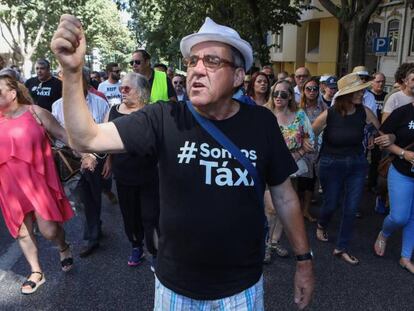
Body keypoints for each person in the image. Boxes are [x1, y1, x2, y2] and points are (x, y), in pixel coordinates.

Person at [52, 14, 314, 310]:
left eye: (212, 61)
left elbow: (285, 197)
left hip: (242, 288)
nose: (197, 70)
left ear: (239, 76)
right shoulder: (165, 117)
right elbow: (86, 138)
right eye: (192, 61)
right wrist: (72, 73)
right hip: (176, 289)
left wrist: (304, 261)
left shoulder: (261, 123)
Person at [0, 71, 74, 294]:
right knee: (22, 231)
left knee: (49, 230)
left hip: (38, 181)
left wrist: (88, 152)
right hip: (8, 184)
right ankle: (36, 272)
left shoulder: (35, 112)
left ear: (12, 93)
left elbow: (62, 134)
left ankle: (63, 246)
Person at [312, 73, 389, 265]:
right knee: (331, 203)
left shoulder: (364, 111)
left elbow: (379, 130)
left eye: (362, 90)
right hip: (331, 163)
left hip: (357, 163)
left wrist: (373, 136)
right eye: (358, 91)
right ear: (346, 94)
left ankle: (342, 247)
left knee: (352, 207)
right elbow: (310, 133)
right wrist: (308, 150)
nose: (362, 94)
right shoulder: (329, 114)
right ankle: (322, 223)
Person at [102, 72, 160, 270]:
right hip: (124, 174)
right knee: (130, 216)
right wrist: (107, 159)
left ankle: (155, 252)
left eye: (127, 88)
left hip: (150, 175)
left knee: (151, 217)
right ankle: (136, 246)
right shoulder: (113, 110)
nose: (122, 91)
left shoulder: (152, 113)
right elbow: (104, 137)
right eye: (121, 88)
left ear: (142, 91)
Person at [52, 68, 110, 258]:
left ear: (87, 81)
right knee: (80, 201)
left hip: (95, 159)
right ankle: (93, 232)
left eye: (79, 79)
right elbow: (59, 137)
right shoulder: (58, 106)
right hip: (71, 163)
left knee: (93, 196)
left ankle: (93, 232)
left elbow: (104, 134)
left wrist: (93, 156)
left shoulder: (101, 104)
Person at [263, 79, 314, 264]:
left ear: (290, 96)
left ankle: (274, 242)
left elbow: (312, 140)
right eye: (275, 93)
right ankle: (265, 244)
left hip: (292, 168)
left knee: (283, 208)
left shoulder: (300, 116)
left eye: (283, 94)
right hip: (268, 167)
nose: (278, 97)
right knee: (270, 208)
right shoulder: (264, 114)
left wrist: (299, 153)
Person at [374, 102, 414, 274]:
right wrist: (405, 153)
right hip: (401, 171)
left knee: (413, 217)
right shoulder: (403, 112)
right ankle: (384, 233)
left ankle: (405, 257)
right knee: (399, 217)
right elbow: (382, 140)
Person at [298, 77, 327, 222]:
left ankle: (305, 211)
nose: (312, 91)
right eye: (308, 88)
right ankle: (296, 211)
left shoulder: (324, 108)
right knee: (298, 183)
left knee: (311, 184)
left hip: (317, 151)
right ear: (303, 91)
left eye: (315, 89)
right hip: (299, 151)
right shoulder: (297, 108)